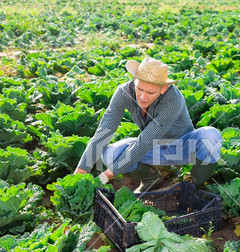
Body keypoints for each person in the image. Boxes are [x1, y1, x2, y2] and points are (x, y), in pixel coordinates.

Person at [74, 56, 222, 193]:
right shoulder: (123, 93)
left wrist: (103, 178)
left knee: (211, 135)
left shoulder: (173, 99)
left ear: (164, 89)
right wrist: (78, 175)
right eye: (139, 89)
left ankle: (195, 187)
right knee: (110, 154)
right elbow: (103, 133)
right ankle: (152, 179)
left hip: (183, 148)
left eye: (150, 93)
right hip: (155, 149)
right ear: (134, 79)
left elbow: (145, 141)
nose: (143, 97)